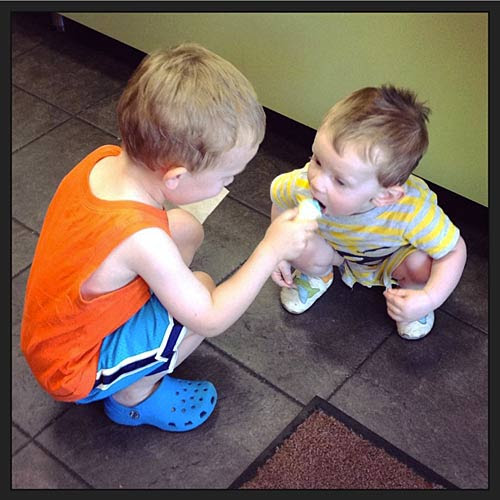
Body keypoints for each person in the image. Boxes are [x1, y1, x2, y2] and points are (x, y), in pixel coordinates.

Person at [20, 43, 318, 432]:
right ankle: (132, 396)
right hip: (73, 368)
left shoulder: (103, 161)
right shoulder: (141, 238)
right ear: (175, 177)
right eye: (226, 177)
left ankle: (143, 340)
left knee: (186, 228)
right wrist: (270, 249)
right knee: (202, 292)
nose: (228, 185)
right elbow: (211, 317)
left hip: (53, 331)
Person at [270, 85, 467, 340]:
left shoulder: (412, 212)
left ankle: (412, 299)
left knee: (422, 265)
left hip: (390, 259)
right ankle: (317, 275)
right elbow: (281, 204)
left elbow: (453, 251)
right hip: (334, 250)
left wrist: (429, 298)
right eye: (317, 160)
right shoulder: (301, 185)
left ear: (385, 196)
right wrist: (278, 252)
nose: (317, 182)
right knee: (295, 238)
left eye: (340, 181)